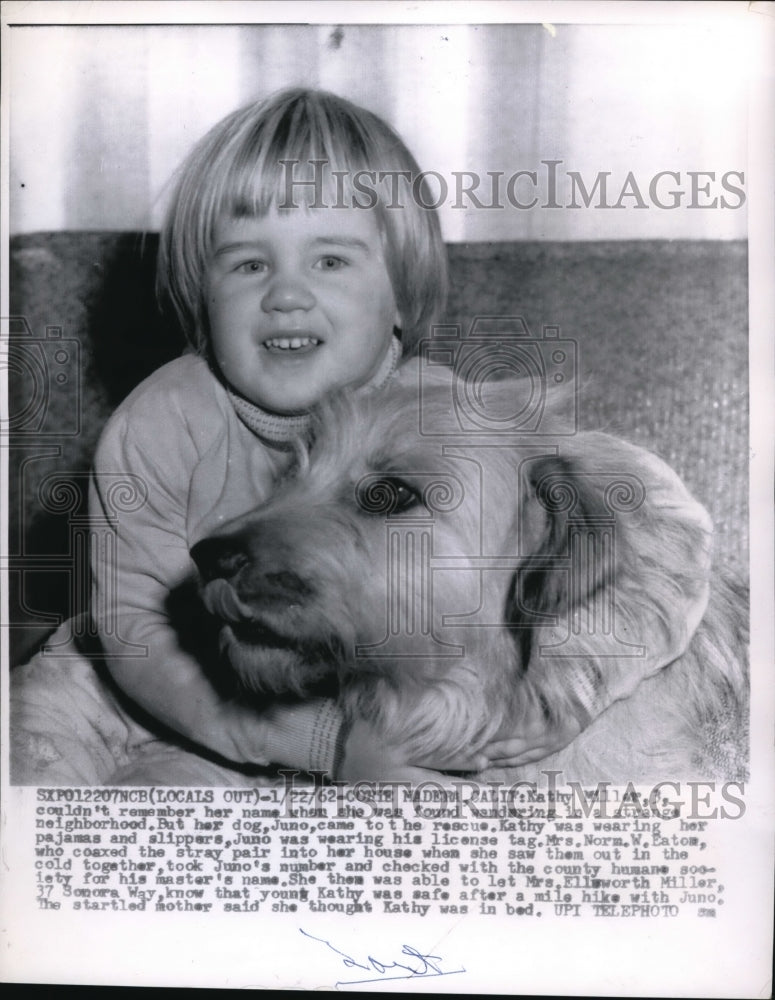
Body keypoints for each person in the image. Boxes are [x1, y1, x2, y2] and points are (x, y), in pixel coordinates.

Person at [86, 87, 711, 783]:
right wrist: (328, 743)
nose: (285, 294)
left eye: (329, 260)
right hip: (138, 669)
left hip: (334, 679)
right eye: (247, 264)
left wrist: (588, 690)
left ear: (400, 301)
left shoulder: (442, 410)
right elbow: (135, 634)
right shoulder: (156, 420)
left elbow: (660, 528)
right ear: (198, 299)